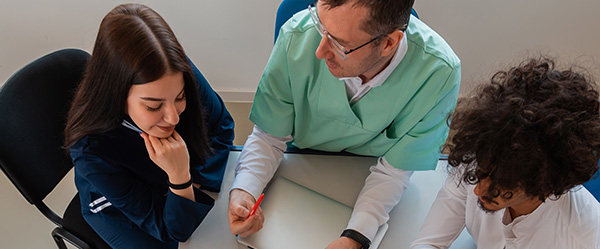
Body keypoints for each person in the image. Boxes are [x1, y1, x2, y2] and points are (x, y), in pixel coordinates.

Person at [228, 0, 461, 248]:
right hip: (297, 163)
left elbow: (394, 172)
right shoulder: (296, 36)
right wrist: (244, 191)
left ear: (389, 43)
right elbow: (269, 138)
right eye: (321, 26)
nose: (319, 51)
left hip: (368, 174)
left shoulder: (440, 73)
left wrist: (356, 236)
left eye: (340, 43)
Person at [64, 4, 234, 249]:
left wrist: (189, 182)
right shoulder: (91, 150)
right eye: (154, 107)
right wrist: (179, 180)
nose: (173, 117)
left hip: (178, 176)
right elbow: (172, 231)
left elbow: (222, 126)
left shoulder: (173, 73)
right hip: (116, 206)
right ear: (118, 95)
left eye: (180, 97)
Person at [410, 57, 600, 249]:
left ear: (544, 184)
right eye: (481, 174)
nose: (478, 190)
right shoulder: (486, 156)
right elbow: (431, 239)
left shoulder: (580, 239)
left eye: (500, 183)